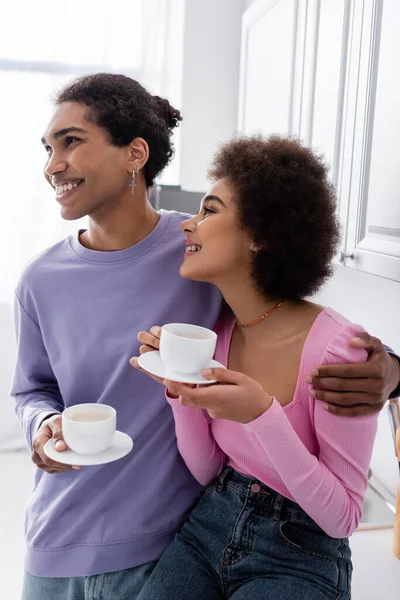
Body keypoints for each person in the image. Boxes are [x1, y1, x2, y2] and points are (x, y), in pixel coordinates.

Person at [11, 73, 399, 600]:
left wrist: (393, 369)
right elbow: (32, 391)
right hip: (57, 540)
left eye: (71, 141)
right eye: (48, 147)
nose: (52, 164)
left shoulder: (203, 252)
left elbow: (299, 320)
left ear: (135, 154)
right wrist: (42, 425)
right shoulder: (40, 279)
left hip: (167, 545)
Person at [132, 134, 397, 600]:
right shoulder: (217, 334)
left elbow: (342, 517)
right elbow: (207, 470)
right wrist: (180, 390)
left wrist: (263, 414)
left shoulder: (340, 350)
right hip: (210, 523)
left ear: (261, 237)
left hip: (302, 552)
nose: (188, 226)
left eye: (209, 211)